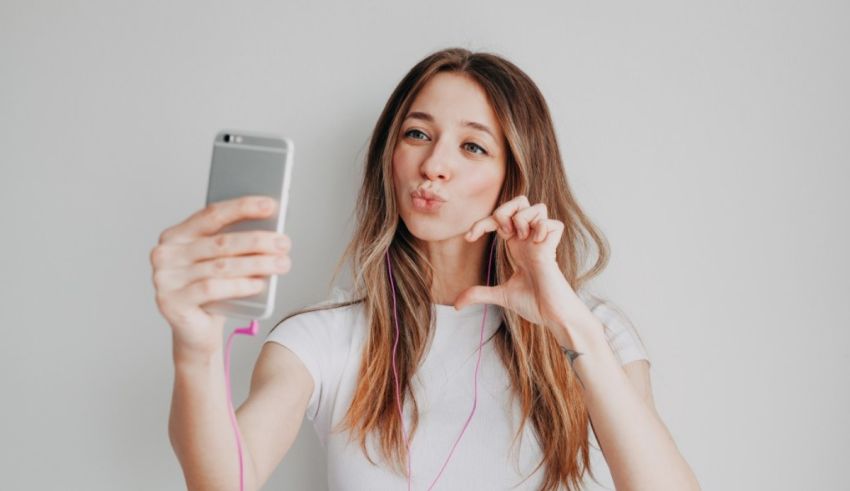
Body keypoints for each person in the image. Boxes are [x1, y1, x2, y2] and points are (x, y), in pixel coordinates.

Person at [152, 47, 701, 490]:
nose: (434, 165)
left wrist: (571, 325)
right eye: (417, 134)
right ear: (389, 157)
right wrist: (195, 349)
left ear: (516, 175)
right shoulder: (322, 338)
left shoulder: (596, 334)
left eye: (472, 147)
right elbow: (222, 483)